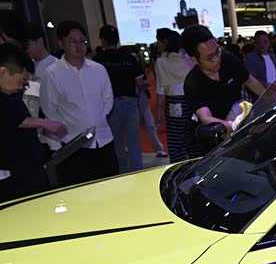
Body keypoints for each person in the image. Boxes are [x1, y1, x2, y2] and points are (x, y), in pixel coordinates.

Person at [40, 20, 118, 186]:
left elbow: (108, 99)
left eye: (82, 41)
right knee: (82, 190)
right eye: (72, 41)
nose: (79, 46)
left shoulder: (98, 69)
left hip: (104, 139)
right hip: (73, 146)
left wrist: (97, 118)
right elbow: (49, 109)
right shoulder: (52, 73)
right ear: (61, 43)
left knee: (110, 187)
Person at [0, 43, 66, 201]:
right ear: (2, 72)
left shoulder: (9, 92)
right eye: (21, 81)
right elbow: (11, 119)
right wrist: (44, 123)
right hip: (12, 175)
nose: (21, 87)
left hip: (28, 167)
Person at [181, 25, 266, 134]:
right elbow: (206, 118)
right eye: (210, 57)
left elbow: (250, 81)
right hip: (219, 136)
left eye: (218, 51)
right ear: (194, 59)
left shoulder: (229, 60)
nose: (217, 59)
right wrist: (234, 125)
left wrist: (270, 98)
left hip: (243, 125)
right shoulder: (193, 83)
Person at [94, 24, 145, 173]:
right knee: (133, 139)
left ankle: (123, 172)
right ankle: (138, 170)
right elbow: (140, 82)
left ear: (103, 40)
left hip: (111, 104)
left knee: (116, 140)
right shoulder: (129, 57)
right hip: (131, 101)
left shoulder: (98, 60)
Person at [154, 27, 198, 162]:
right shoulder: (186, 57)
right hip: (191, 100)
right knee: (192, 137)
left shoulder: (161, 61)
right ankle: (196, 165)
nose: (157, 44)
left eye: (158, 41)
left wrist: (159, 112)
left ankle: (179, 168)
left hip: (174, 102)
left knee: (176, 140)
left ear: (165, 42)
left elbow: (161, 88)